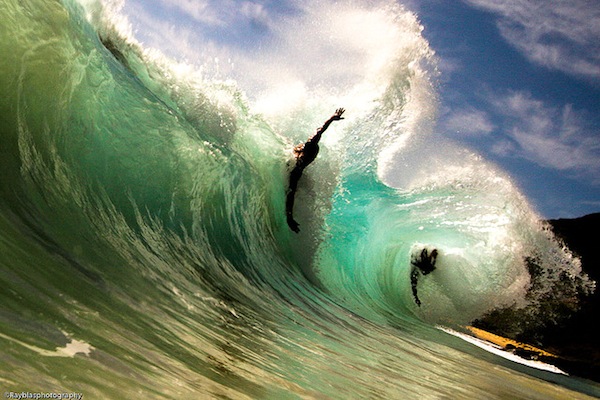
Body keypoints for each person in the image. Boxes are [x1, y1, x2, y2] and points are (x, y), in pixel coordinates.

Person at [286, 108, 345, 232]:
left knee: (294, 186)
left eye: (307, 160)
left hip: (299, 169)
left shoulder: (298, 170)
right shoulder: (309, 145)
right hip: (301, 153)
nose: (304, 160)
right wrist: (332, 118)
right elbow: (320, 131)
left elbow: (291, 194)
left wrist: (289, 217)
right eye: (304, 158)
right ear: (302, 152)